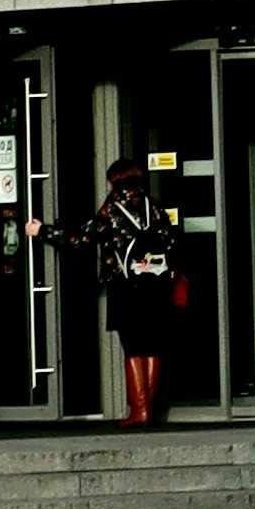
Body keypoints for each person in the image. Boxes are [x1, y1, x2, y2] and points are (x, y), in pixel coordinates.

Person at [93, 152, 177, 428]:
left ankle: (138, 410)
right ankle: (148, 410)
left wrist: (42, 231)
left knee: (133, 348)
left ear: (115, 181)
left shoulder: (112, 209)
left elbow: (83, 237)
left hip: (125, 287)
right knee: (153, 346)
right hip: (155, 284)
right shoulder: (152, 206)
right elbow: (169, 240)